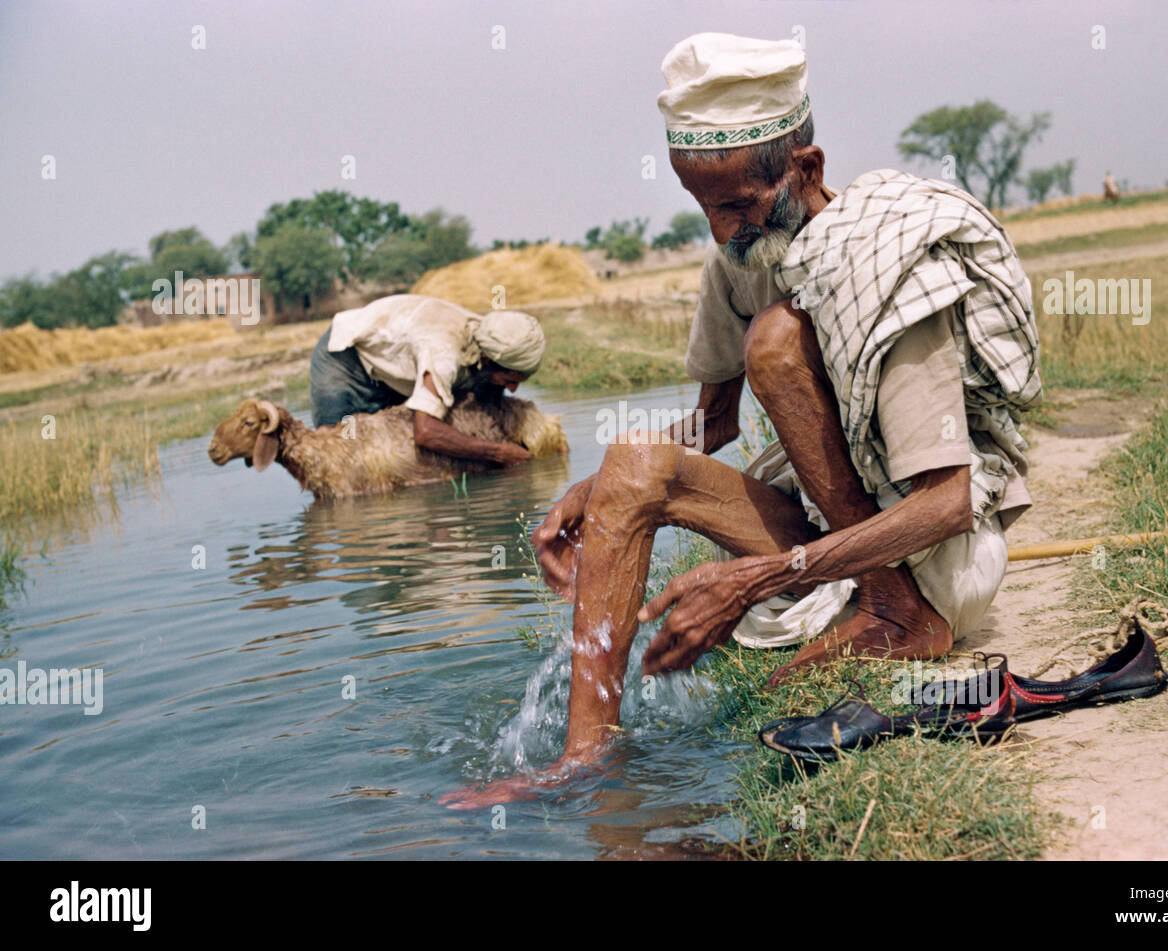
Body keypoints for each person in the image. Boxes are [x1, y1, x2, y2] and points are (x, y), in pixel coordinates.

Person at [442, 33, 1041, 808]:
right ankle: (584, 760)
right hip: (831, 541)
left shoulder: (891, 269)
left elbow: (947, 501)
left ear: (808, 169)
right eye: (703, 208)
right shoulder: (743, 261)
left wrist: (760, 576)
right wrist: (596, 490)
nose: (723, 233)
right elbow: (712, 427)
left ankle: (895, 614)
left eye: (737, 206)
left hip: (935, 555)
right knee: (634, 458)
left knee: (779, 342)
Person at [309, 294, 544, 467]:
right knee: (338, 451)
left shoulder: (496, 336)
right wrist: (499, 453)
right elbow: (425, 432)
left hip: (397, 366)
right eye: (509, 380)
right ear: (487, 359)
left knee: (395, 450)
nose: (513, 390)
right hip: (347, 358)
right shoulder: (444, 354)